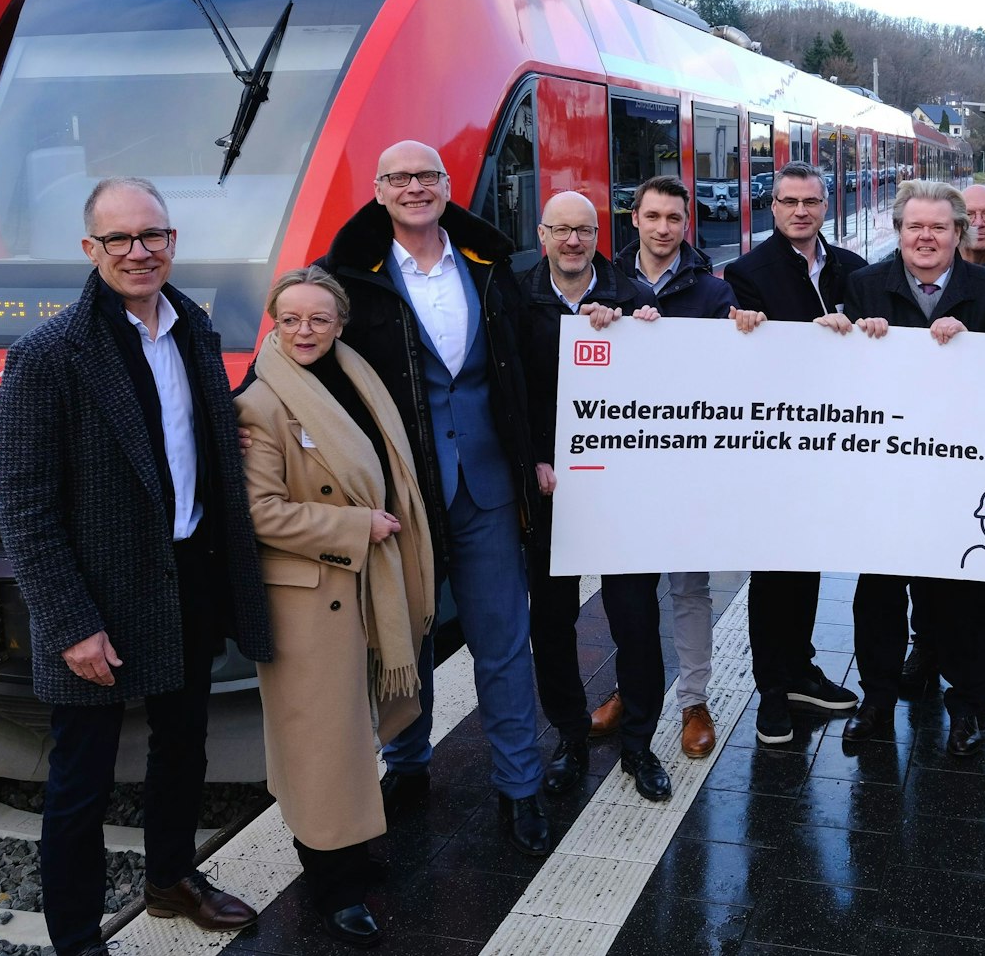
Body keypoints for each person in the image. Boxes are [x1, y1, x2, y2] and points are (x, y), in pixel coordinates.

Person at [0, 177, 271, 956]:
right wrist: (70, 623)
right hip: (98, 595)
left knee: (183, 744)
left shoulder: (194, 329)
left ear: (172, 241)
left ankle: (171, 878)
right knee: (81, 780)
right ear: (91, 248)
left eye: (153, 235)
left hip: (187, 575)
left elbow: (196, 441)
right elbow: (24, 506)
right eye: (119, 238)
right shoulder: (47, 354)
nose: (139, 251)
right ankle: (78, 941)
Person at [318, 140, 550, 855]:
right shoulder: (346, 276)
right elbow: (300, 345)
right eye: (399, 178)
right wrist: (243, 412)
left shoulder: (488, 265)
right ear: (379, 190)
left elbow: (532, 355)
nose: (414, 187)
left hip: (487, 484)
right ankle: (408, 761)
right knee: (403, 634)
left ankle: (520, 784)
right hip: (400, 490)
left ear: (447, 186)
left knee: (503, 640)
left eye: (427, 176)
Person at [237, 266, 434, 947]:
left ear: (340, 324)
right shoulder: (261, 404)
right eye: (290, 318)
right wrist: (356, 526)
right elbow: (261, 511)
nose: (304, 330)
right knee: (319, 743)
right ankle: (333, 887)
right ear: (274, 321)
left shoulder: (355, 376)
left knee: (350, 734)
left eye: (318, 318)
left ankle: (348, 853)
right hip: (311, 594)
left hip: (361, 583)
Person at [817, 179, 985, 755]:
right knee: (878, 594)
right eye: (914, 227)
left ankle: (967, 705)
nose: (925, 237)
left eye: (938, 227)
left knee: (961, 599)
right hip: (885, 478)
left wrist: (973, 345)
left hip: (958, 473)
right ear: (899, 231)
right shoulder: (864, 286)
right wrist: (839, 335)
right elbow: (841, 382)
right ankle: (877, 701)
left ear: (959, 233)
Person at [516, 191, 673, 802]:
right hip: (549, 488)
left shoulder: (634, 298)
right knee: (552, 621)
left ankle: (639, 742)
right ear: (543, 235)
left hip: (620, 490)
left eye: (583, 230)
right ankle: (570, 736)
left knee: (635, 619)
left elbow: (663, 393)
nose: (573, 241)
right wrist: (532, 457)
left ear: (598, 234)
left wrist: (648, 335)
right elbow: (508, 390)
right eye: (561, 230)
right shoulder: (515, 299)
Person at [722, 160, 864, 743]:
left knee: (808, 561)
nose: (800, 211)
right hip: (776, 445)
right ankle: (772, 691)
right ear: (773, 206)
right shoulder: (746, 273)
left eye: (811, 202)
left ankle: (801, 669)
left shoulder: (852, 268)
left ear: (825, 206)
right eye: (789, 202)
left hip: (833, 440)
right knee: (773, 569)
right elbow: (747, 360)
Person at [613, 175, 737, 758]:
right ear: (634, 218)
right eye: (653, 216)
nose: (663, 228)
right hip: (625, 468)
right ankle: (632, 690)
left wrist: (744, 331)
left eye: (674, 219)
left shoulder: (713, 293)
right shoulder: (606, 283)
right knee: (629, 594)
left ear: (688, 225)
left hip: (688, 467)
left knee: (689, 587)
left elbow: (727, 376)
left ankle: (693, 700)